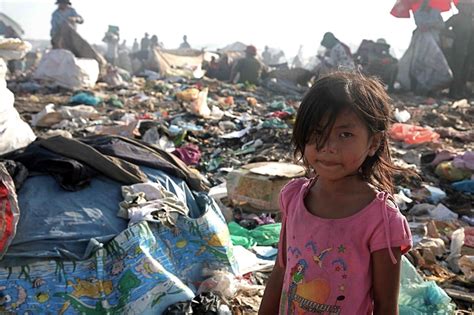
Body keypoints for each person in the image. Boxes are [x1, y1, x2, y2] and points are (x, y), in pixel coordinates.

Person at [259, 72, 412, 315]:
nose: (329, 147)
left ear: (373, 142)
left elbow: (385, 306)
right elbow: (281, 270)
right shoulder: (293, 197)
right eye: (318, 133)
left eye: (345, 135)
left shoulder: (382, 220)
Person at [445, 0, 474, 98]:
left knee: (466, 70)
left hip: (470, 49)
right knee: (457, 71)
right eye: (467, 6)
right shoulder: (456, 18)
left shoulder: (472, 20)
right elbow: (443, 28)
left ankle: (462, 90)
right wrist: (453, 35)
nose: (469, 9)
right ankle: (454, 92)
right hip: (458, 48)